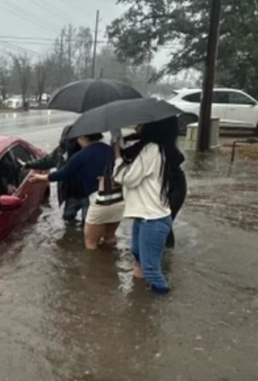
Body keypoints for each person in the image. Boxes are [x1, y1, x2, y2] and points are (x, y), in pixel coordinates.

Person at [114, 122, 178, 295]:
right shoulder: (153, 149)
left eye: (141, 124)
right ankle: (142, 305)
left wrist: (117, 155)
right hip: (145, 217)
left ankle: (159, 306)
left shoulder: (151, 149)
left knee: (151, 270)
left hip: (153, 219)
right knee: (136, 253)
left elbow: (127, 178)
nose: (136, 126)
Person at [30, 134, 124, 250]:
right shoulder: (109, 149)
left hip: (99, 202)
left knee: (90, 244)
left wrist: (41, 177)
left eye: (78, 138)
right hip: (118, 200)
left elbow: (62, 174)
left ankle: (92, 267)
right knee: (109, 238)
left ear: (83, 137)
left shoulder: (81, 155)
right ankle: (111, 262)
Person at [23, 126, 86, 224]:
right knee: (68, 218)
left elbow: (59, 171)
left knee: (89, 222)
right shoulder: (62, 150)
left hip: (88, 192)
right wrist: (29, 164)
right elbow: (48, 161)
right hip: (71, 192)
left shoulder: (87, 150)